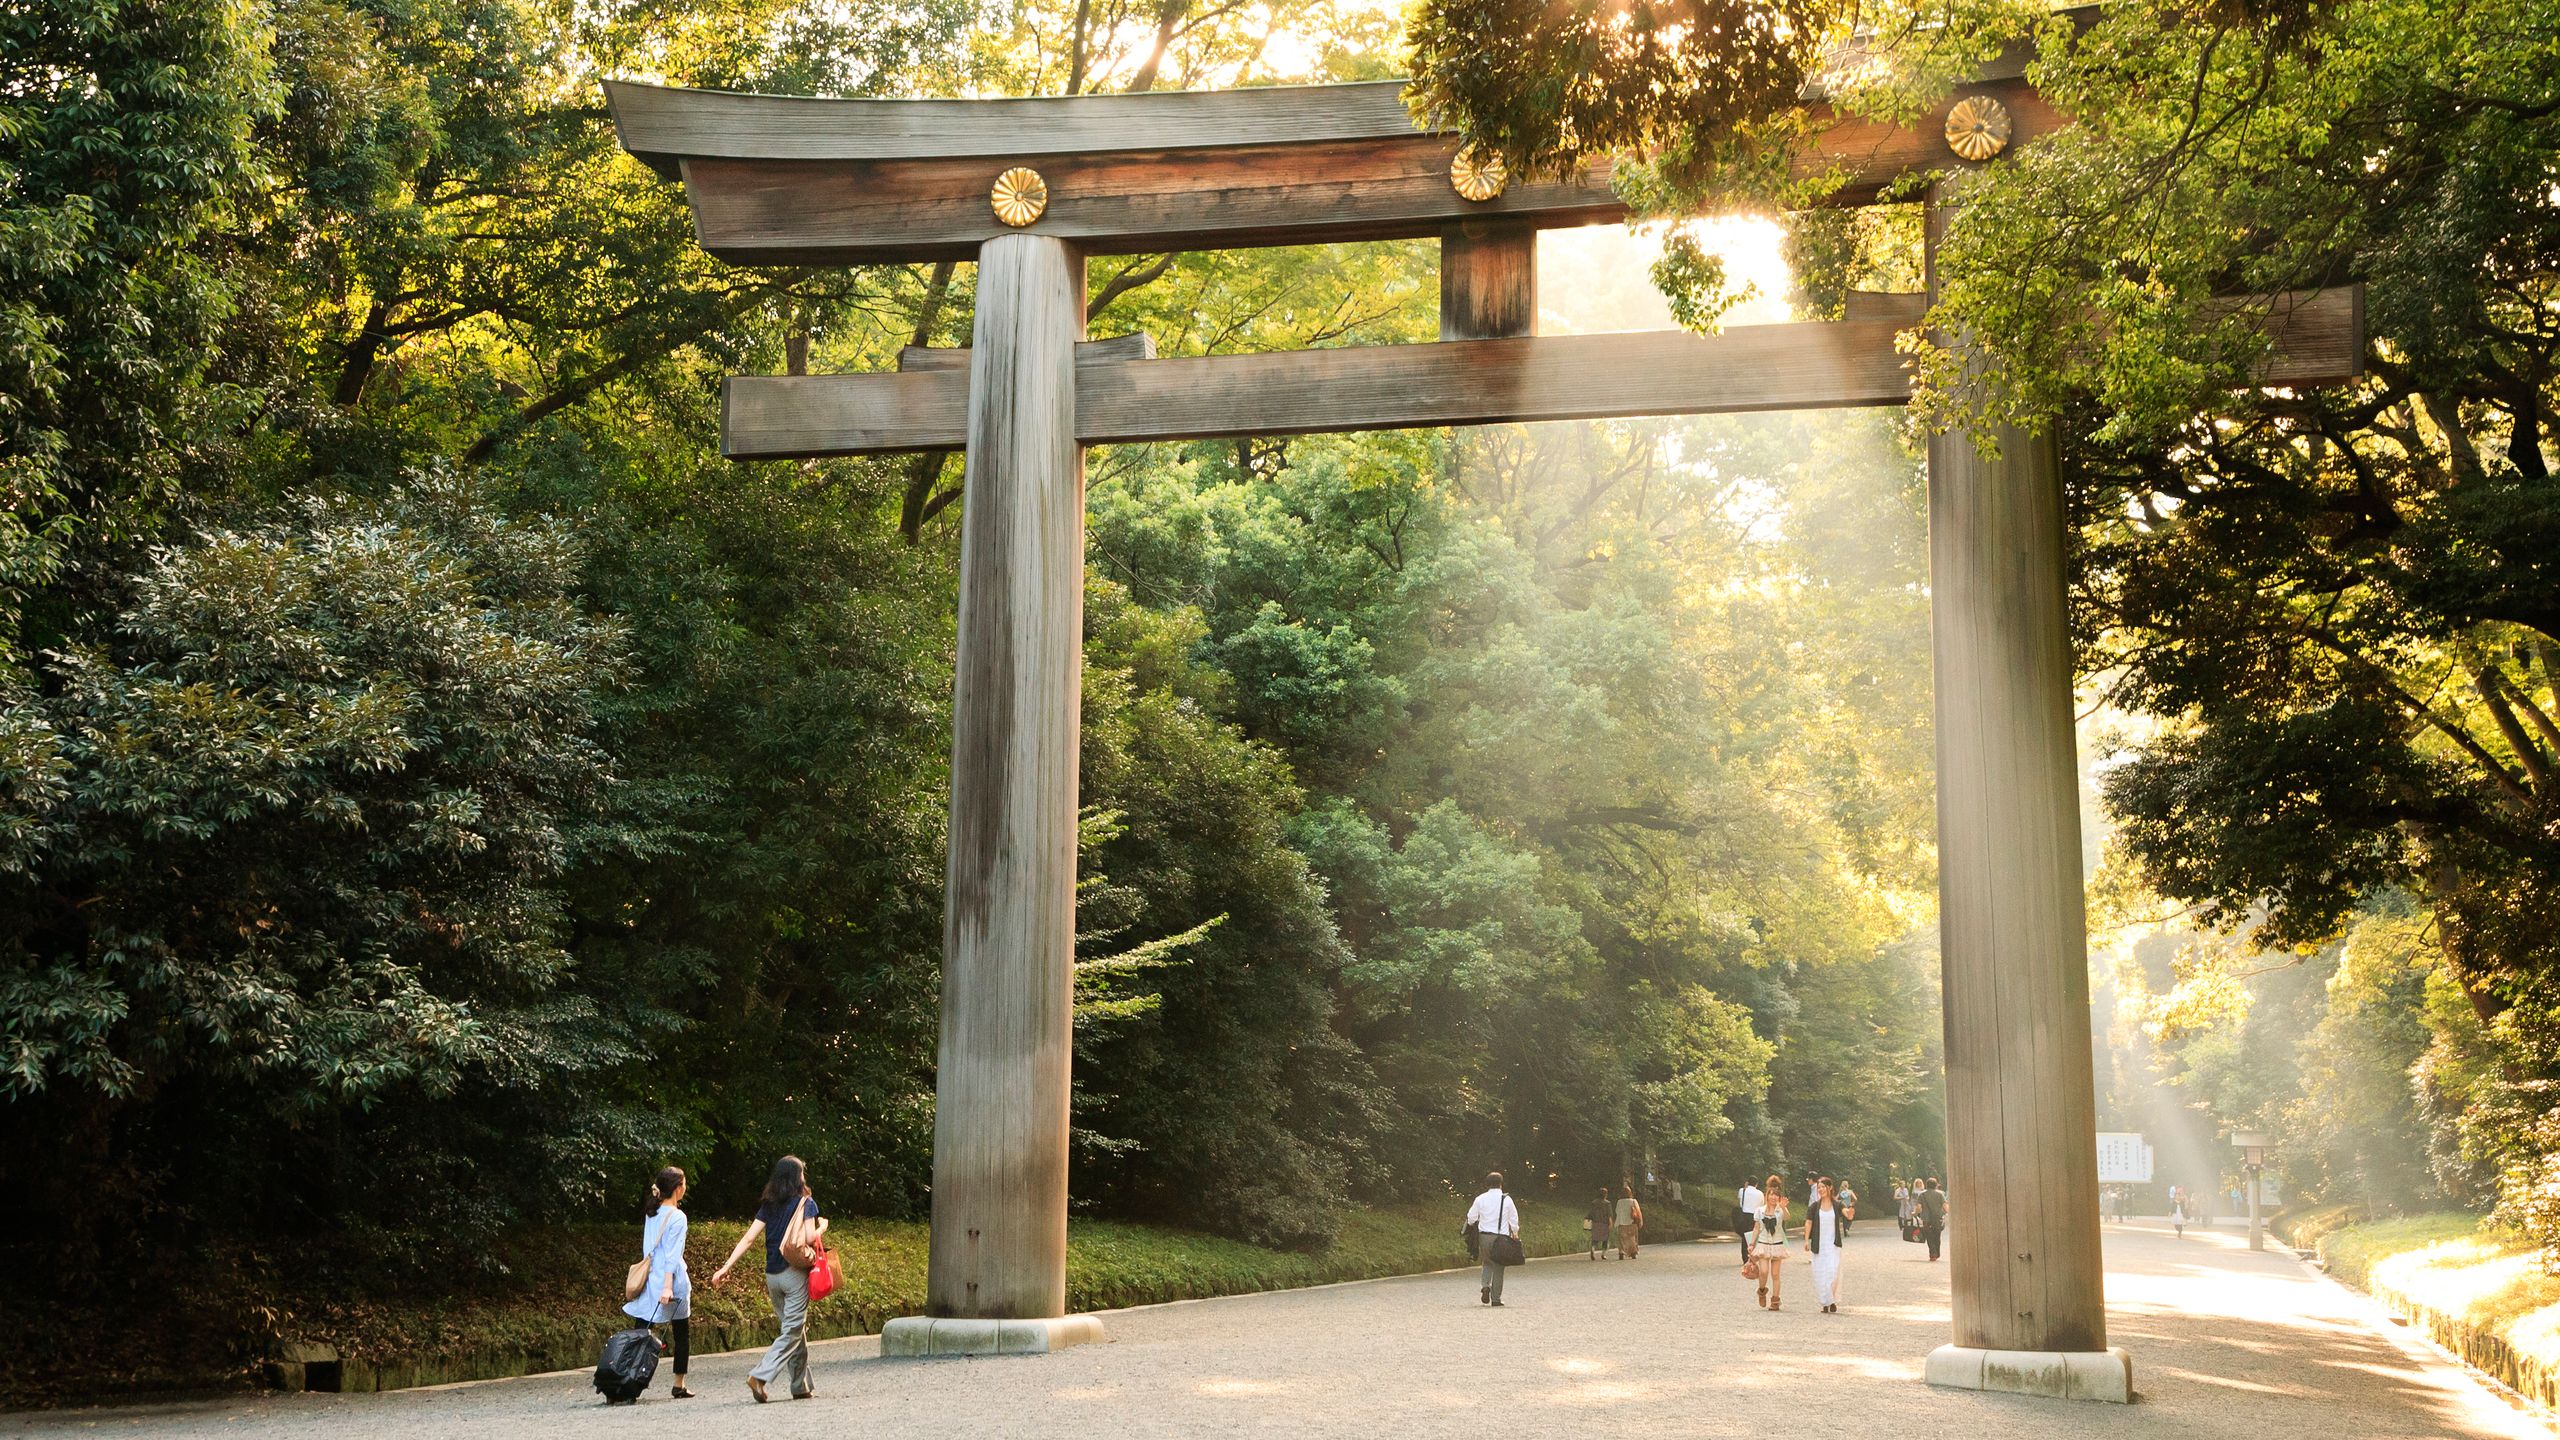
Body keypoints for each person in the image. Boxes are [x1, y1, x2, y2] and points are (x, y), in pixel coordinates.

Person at [711, 1155, 830, 1403]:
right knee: (792, 1331)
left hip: (772, 1276)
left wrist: (725, 1267)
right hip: (793, 1274)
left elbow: (748, 1238)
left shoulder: (769, 1204)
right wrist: (822, 1228)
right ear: (798, 1177)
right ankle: (760, 1375)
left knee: (794, 1329)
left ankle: (800, 1386)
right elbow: (808, 1238)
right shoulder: (806, 1203)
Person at [621, 1165, 693, 1400]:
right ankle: (679, 1384)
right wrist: (668, 1286)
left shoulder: (651, 1213)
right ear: (677, 1188)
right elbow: (672, 1256)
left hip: (651, 1279)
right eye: (683, 1184)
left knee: (640, 1330)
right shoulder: (678, 1217)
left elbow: (649, 1249)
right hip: (671, 1281)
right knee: (681, 1333)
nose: (685, 1188)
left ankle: (627, 1379)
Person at [1466, 1171, 1520, 1306]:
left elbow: (1471, 1218)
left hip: (1484, 1236)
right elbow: (1513, 1218)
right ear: (1501, 1184)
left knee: (1487, 1262)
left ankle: (1485, 1286)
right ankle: (1496, 1298)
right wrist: (1515, 1232)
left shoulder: (1480, 1199)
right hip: (1501, 1238)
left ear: (1487, 1184)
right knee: (1499, 1266)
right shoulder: (1506, 1199)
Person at [1803, 1176, 1848, 1314]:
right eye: (1819, 1188)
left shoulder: (1837, 1205)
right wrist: (1806, 1240)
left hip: (1833, 1244)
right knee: (1820, 1274)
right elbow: (1809, 1222)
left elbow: (1846, 1213)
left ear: (1829, 1188)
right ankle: (1825, 1302)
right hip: (1819, 1244)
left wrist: (1850, 1213)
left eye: (1823, 1187)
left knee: (1833, 1272)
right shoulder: (1814, 1207)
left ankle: (1832, 1299)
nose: (1821, 1189)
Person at [1752, 1174, 1791, 1309]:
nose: (1773, 1197)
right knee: (1763, 1272)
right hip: (1763, 1244)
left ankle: (1775, 1300)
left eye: (1776, 1195)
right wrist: (1751, 1244)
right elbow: (1756, 1228)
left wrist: (1784, 1207)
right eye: (1771, 1195)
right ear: (1767, 1196)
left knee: (1775, 1274)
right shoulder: (1760, 1211)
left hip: (1777, 1244)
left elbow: (1787, 1217)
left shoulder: (1780, 1211)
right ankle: (1761, 1291)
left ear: (1779, 1198)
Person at [1917, 1176, 1948, 1262]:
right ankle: (1937, 1253)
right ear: (1935, 1185)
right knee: (1937, 1236)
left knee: (1929, 1237)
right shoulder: (1940, 1194)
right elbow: (1945, 1206)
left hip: (1926, 1219)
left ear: (1927, 1185)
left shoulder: (1922, 1194)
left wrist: (1914, 1213)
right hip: (1938, 1218)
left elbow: (1919, 1208)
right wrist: (1946, 1213)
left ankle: (1932, 1254)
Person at [1735, 1176, 1765, 1267]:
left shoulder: (1742, 1191)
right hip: (1755, 1215)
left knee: (1745, 1238)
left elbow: (1740, 1203)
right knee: (1754, 1237)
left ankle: (1745, 1258)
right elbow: (1761, 1205)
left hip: (1744, 1215)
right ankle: (1754, 1257)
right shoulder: (1760, 1193)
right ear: (1756, 1184)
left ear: (1747, 1182)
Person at [1614, 1183, 1644, 1259]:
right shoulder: (1633, 1201)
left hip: (1621, 1223)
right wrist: (1640, 1221)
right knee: (1632, 1238)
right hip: (1632, 1222)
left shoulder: (1619, 1202)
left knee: (1621, 1238)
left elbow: (1617, 1211)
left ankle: (1621, 1252)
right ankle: (1633, 1252)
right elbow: (1638, 1211)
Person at [1585, 1187, 1614, 1260]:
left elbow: (1590, 1213)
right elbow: (1609, 1214)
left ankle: (1592, 1249)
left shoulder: (1594, 1202)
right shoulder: (1607, 1203)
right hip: (1604, 1223)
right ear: (1605, 1195)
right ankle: (1603, 1254)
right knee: (1605, 1240)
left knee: (1595, 1239)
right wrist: (1610, 1223)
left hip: (1595, 1223)